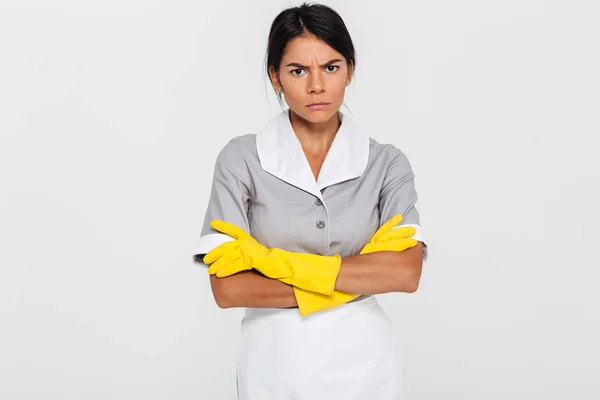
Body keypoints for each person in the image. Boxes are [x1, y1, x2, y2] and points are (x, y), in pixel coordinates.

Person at [194, 3, 427, 399]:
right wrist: (358, 273)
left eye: (331, 67)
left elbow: (404, 274)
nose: (316, 85)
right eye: (297, 70)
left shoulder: (386, 163)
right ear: (276, 78)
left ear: (350, 70)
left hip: (366, 363)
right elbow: (228, 289)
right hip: (275, 363)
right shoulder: (242, 160)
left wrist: (268, 263)